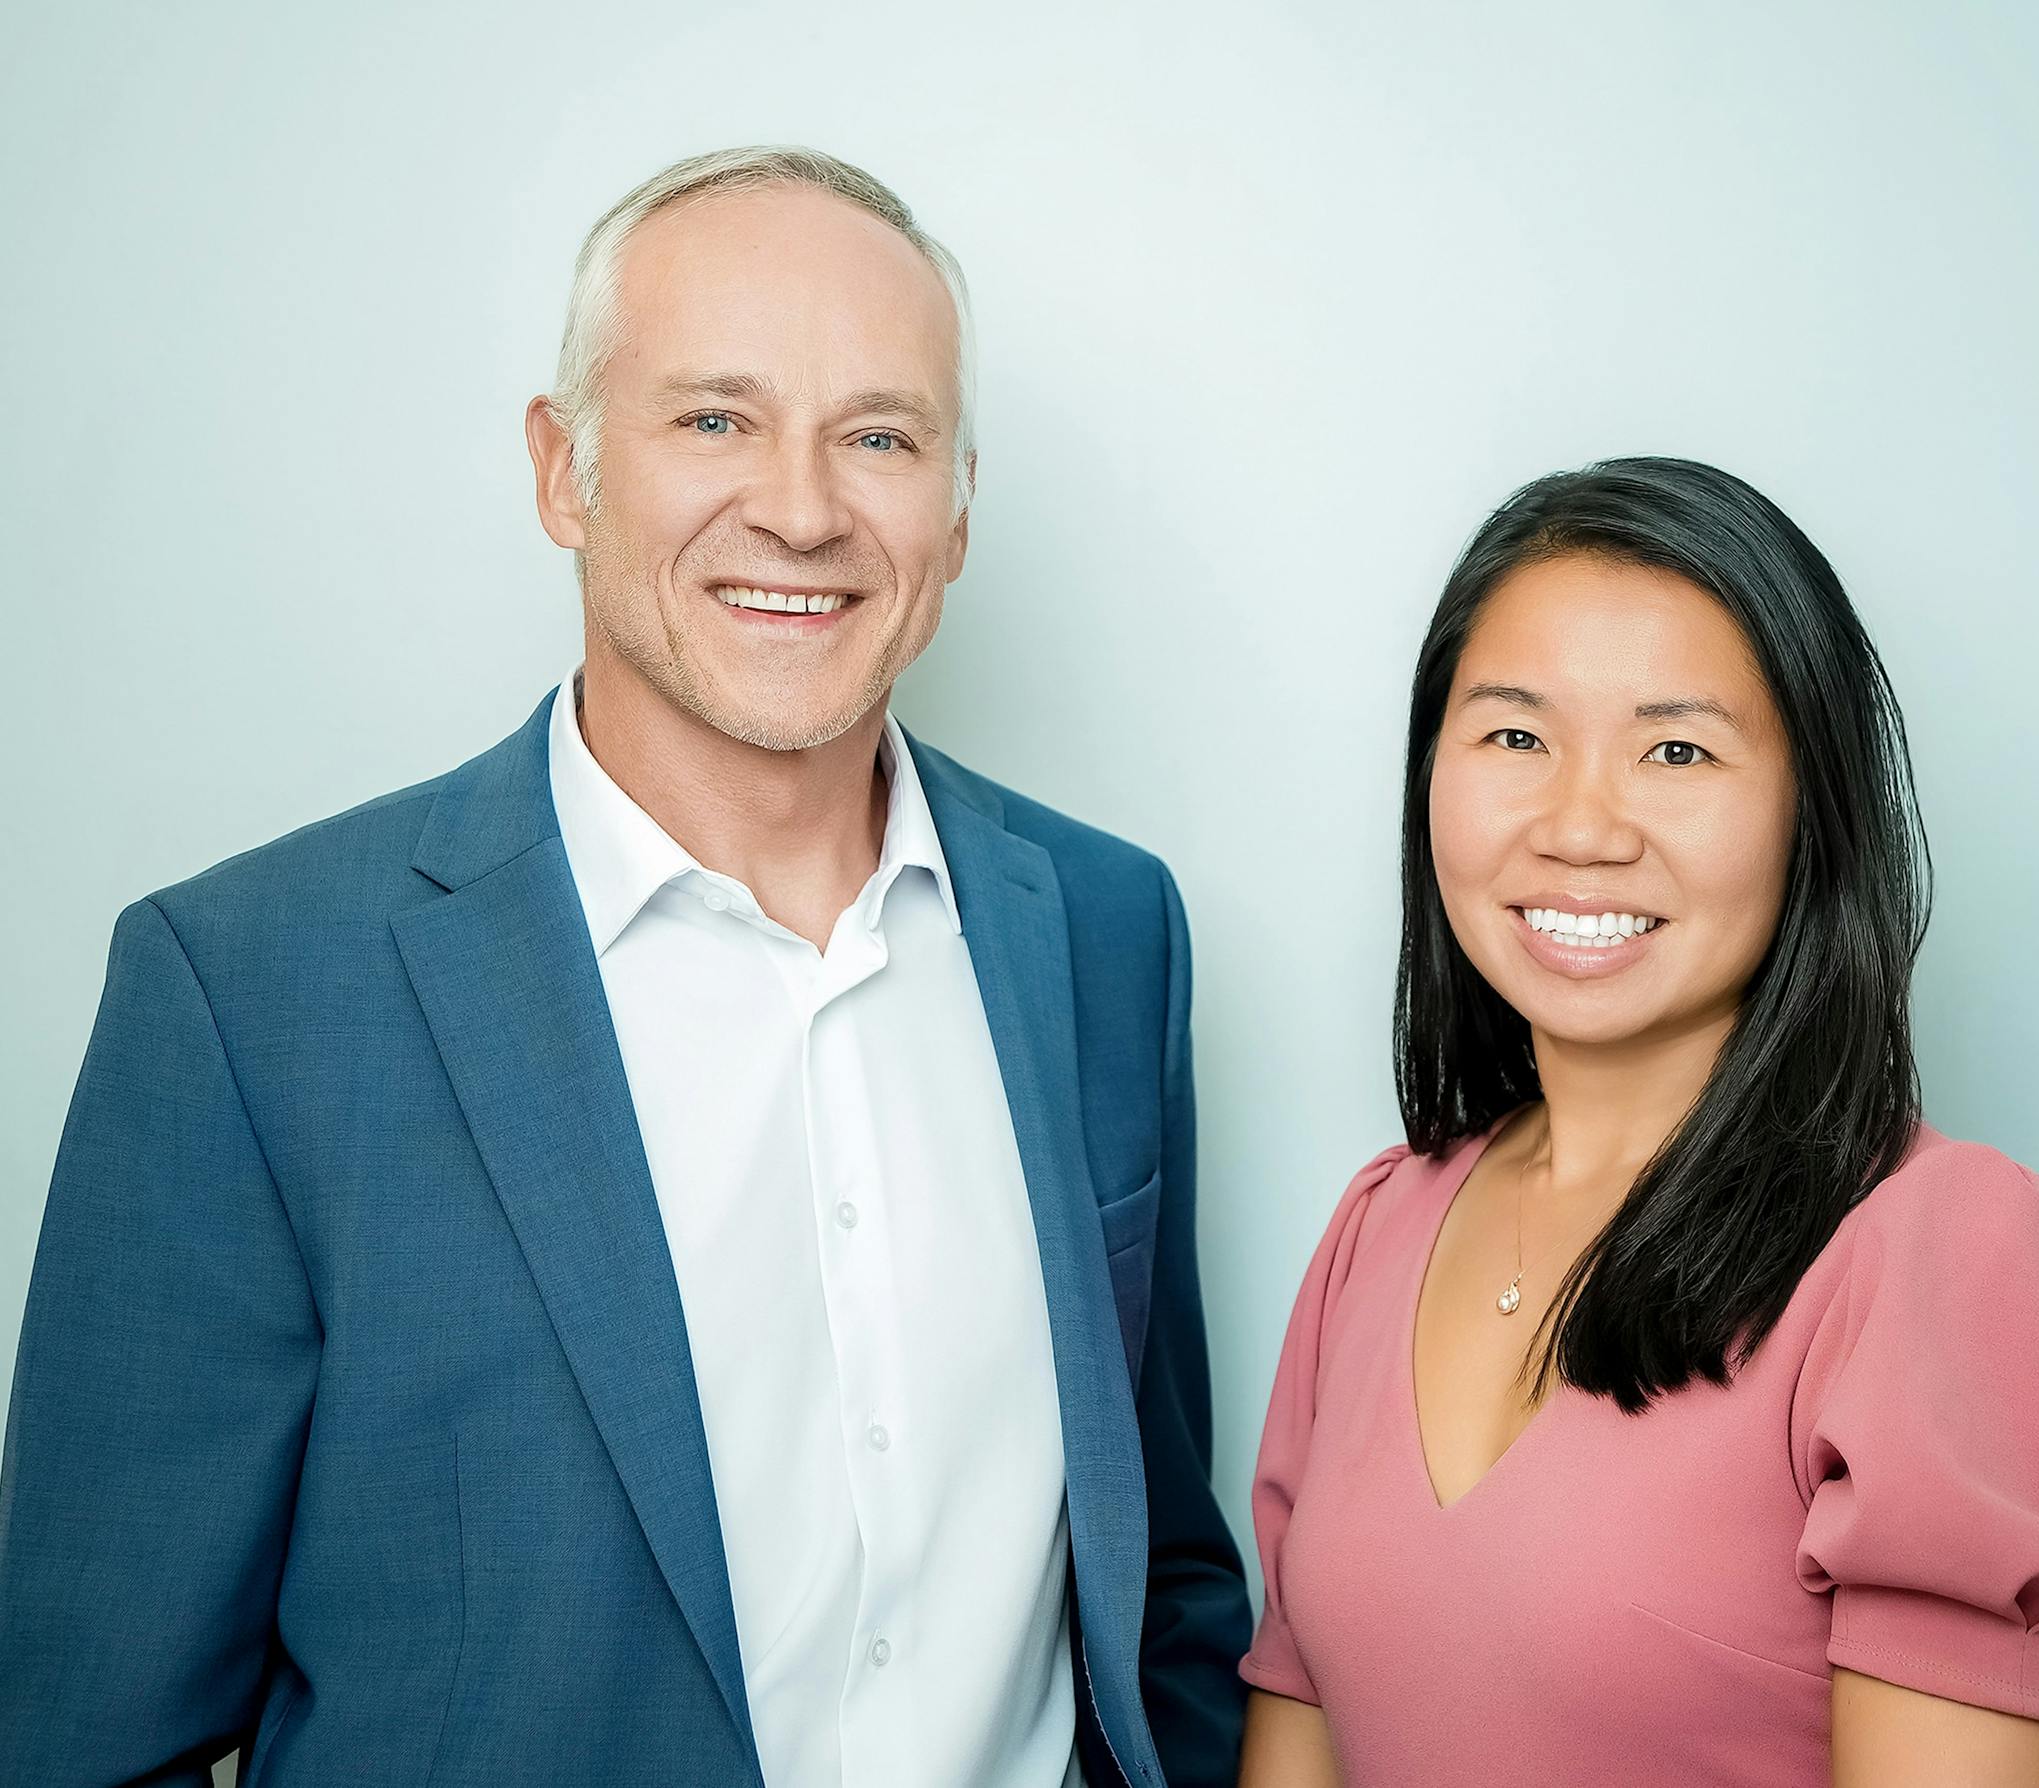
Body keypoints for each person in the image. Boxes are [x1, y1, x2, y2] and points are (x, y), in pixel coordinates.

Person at [0, 146, 1249, 1786]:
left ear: (953, 514)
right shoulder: (250, 997)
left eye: (879, 435)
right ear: (562, 471)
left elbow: (1157, 1578)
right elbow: (93, 1738)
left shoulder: (1101, 928)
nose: (801, 509)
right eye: (714, 418)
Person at [1234, 458, 2039, 1787]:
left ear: (1813, 812)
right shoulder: (1378, 1230)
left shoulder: (1948, 1257)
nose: (1579, 826)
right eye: (1513, 735)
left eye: (1678, 750)